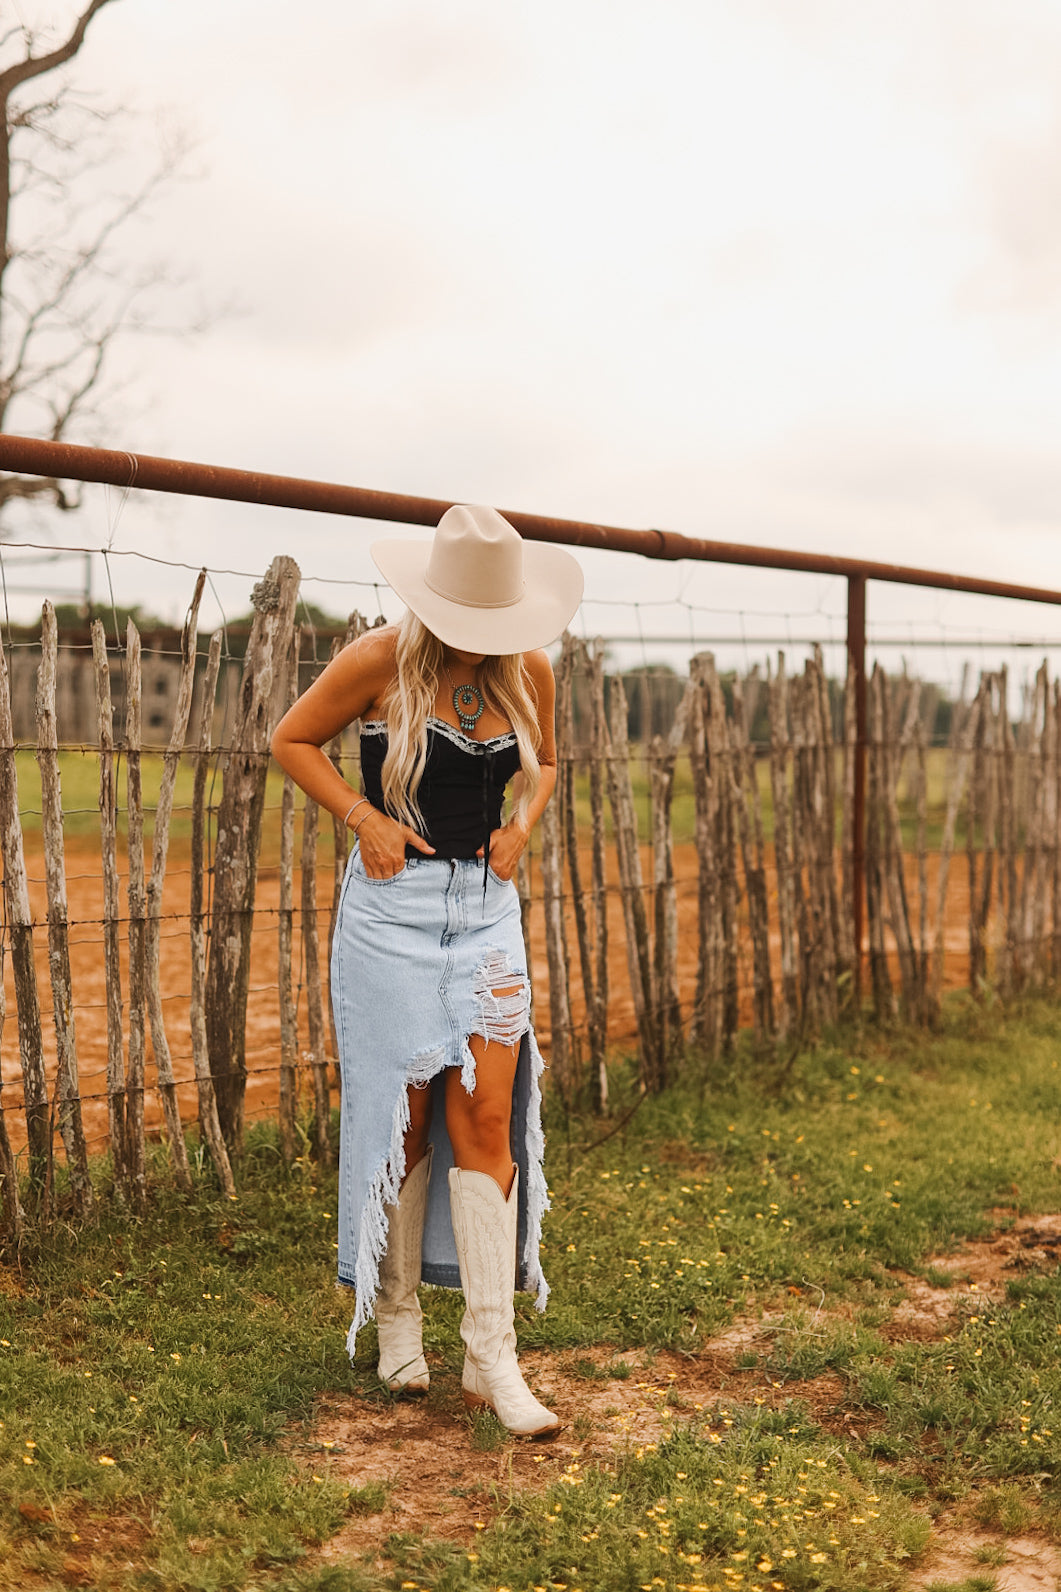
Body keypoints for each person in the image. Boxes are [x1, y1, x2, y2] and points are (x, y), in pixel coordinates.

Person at [270, 503, 583, 1439]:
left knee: (488, 1110)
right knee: (404, 1115)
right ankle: (398, 1320)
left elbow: (549, 766)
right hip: (390, 916)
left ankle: (492, 1354)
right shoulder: (375, 661)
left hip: (487, 915)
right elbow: (290, 740)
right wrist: (361, 816)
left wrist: (522, 824)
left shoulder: (529, 670)